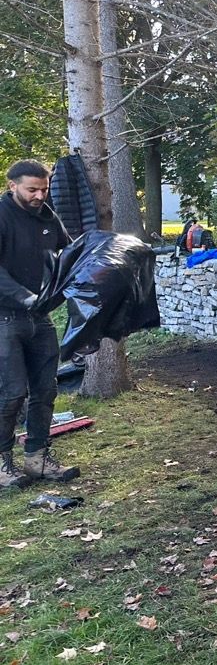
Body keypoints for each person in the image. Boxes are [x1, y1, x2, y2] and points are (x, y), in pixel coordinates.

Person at [0, 159, 78, 488]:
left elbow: (71, 251)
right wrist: (24, 296)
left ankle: (36, 458)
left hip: (39, 317)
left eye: (43, 189)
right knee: (12, 394)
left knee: (46, 390)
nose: (39, 195)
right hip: (5, 318)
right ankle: (3, 464)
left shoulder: (47, 216)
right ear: (12, 186)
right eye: (32, 189)